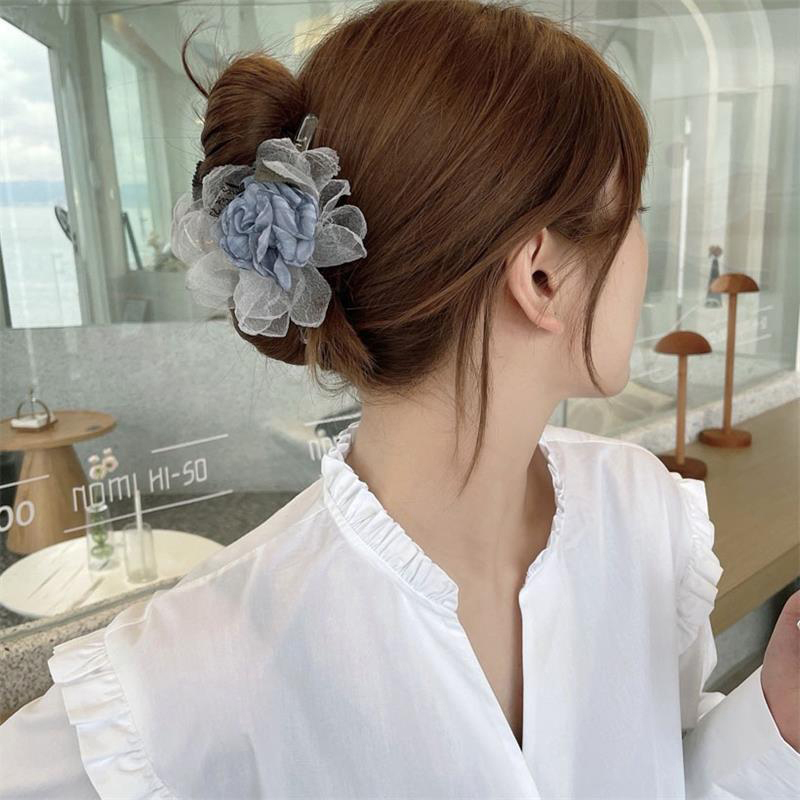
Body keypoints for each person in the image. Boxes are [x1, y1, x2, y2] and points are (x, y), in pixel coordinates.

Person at [1, 1, 798, 797]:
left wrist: (780, 720)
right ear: (541, 276)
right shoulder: (202, 654)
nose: (644, 251)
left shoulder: (646, 516)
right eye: (635, 215)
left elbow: (656, 772)